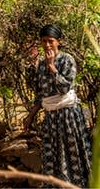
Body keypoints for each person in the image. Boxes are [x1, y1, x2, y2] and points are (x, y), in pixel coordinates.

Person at [23, 24, 91, 187]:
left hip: (68, 116)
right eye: (43, 41)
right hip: (51, 118)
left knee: (71, 153)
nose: (47, 45)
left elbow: (65, 88)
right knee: (52, 155)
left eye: (50, 41)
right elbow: (41, 94)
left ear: (58, 42)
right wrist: (31, 116)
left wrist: (52, 66)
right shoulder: (40, 65)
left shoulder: (67, 60)